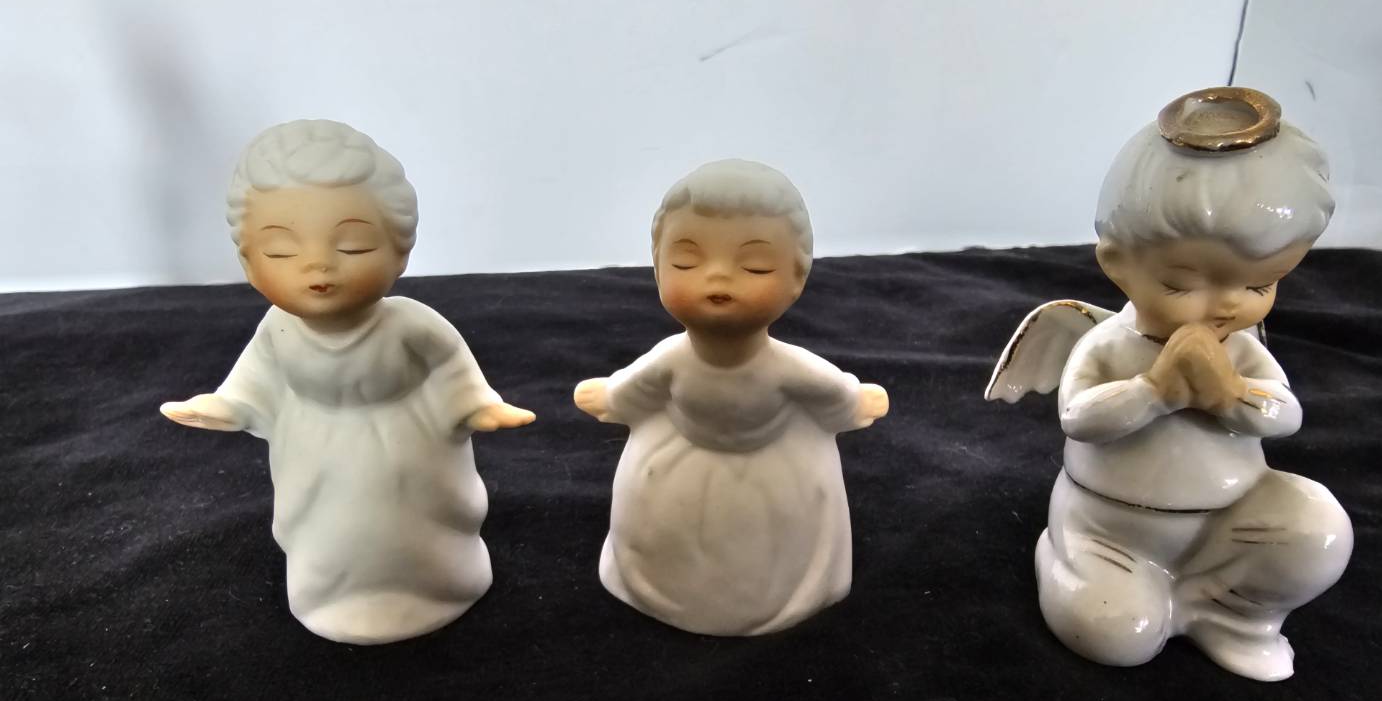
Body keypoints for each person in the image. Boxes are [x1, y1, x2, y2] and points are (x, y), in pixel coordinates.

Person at [160, 119, 533, 644]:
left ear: (400, 250)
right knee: (330, 537)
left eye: (354, 246)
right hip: (316, 459)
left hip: (409, 454)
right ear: (248, 262)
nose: (318, 265)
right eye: (281, 251)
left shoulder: (410, 323)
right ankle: (331, 596)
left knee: (416, 533)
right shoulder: (278, 329)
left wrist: (479, 405)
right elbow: (253, 382)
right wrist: (224, 406)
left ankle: (440, 588)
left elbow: (453, 367)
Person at [1022, 88, 1352, 680]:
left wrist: (1230, 395)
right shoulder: (1107, 345)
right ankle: (1066, 561)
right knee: (1115, 634)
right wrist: (1156, 391)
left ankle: (1227, 613)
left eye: (1260, 285)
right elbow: (1079, 417)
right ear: (1116, 263)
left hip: (1228, 521)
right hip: (1109, 530)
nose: (1228, 305)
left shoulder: (1242, 348)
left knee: (1317, 530)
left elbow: (1285, 414)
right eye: (1182, 284)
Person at [574, 159, 888, 636]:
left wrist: (854, 401)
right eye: (686, 262)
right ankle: (665, 589)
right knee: (666, 538)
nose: (718, 278)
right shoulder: (672, 358)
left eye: (755, 266)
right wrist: (612, 397)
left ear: (797, 278)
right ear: (658, 268)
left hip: (772, 480)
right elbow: (639, 386)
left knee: (760, 553)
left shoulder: (786, 367)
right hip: (675, 473)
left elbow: (829, 391)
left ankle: (767, 599)